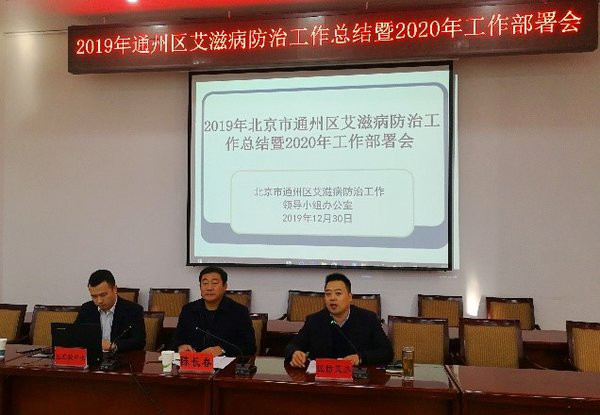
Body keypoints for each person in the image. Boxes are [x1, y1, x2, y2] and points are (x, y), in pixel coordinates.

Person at [285, 272, 393, 367]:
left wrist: (360, 357)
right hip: (322, 379)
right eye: (328, 294)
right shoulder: (314, 321)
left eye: (338, 293)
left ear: (350, 297)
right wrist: (295, 353)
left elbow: (387, 352)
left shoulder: (368, 319)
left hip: (356, 380)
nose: (332, 298)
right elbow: (292, 346)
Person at [171, 266, 256, 356]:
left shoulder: (239, 312)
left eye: (215, 283)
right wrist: (180, 346)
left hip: (225, 363)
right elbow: (175, 341)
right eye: (205, 283)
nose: (209, 288)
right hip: (194, 363)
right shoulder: (188, 310)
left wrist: (223, 349)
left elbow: (250, 347)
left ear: (225, 286)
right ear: (200, 287)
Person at [74, 269, 146, 352]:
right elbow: (75, 335)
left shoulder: (133, 310)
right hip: (93, 356)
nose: (99, 301)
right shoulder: (86, 309)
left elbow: (139, 342)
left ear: (114, 289)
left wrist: (113, 346)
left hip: (120, 357)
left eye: (103, 295)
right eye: (94, 296)